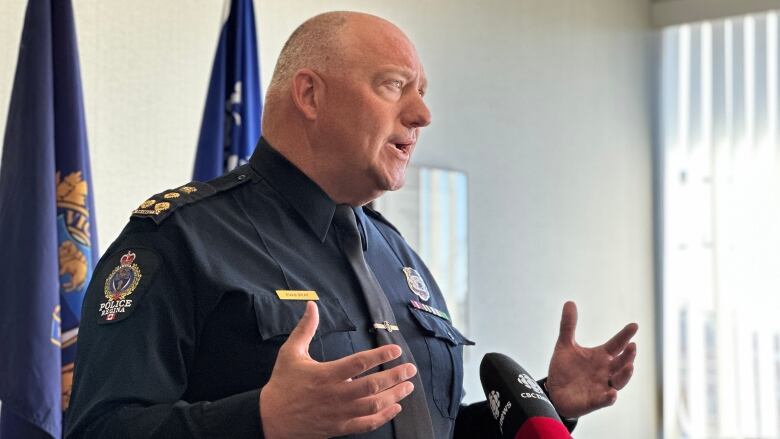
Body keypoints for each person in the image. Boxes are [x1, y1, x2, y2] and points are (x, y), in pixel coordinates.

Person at [65, 11, 638, 439]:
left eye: (422, 93)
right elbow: (100, 430)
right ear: (310, 94)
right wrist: (261, 418)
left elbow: (421, 428)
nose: (422, 114)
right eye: (394, 85)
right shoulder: (181, 239)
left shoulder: (397, 255)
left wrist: (553, 400)